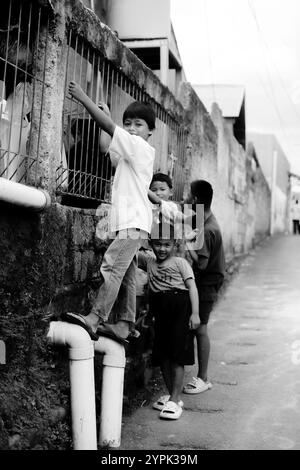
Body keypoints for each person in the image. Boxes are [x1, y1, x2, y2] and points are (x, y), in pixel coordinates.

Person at [62, 81, 156, 342]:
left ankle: (95, 318)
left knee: (111, 266)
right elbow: (106, 147)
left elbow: (108, 128)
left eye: (139, 124)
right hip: (130, 222)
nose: (132, 129)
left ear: (151, 132)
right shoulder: (128, 154)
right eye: (128, 123)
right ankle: (125, 325)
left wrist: (84, 99)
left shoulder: (141, 149)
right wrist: (108, 115)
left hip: (133, 222)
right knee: (125, 275)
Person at [138, 222, 200, 420]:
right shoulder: (149, 262)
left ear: (174, 244)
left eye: (166, 244)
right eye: (158, 244)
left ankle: (175, 399)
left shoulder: (181, 263)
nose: (162, 248)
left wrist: (195, 314)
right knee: (162, 354)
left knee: (177, 355)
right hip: (160, 311)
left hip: (180, 309)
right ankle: (171, 395)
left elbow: (192, 288)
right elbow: (130, 251)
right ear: (151, 244)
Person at [183, 180, 225, 394]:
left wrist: (187, 244)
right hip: (206, 279)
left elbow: (201, 264)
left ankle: (203, 378)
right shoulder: (203, 218)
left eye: (187, 195)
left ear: (197, 200)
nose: (184, 198)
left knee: (201, 328)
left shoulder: (207, 229)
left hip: (207, 282)